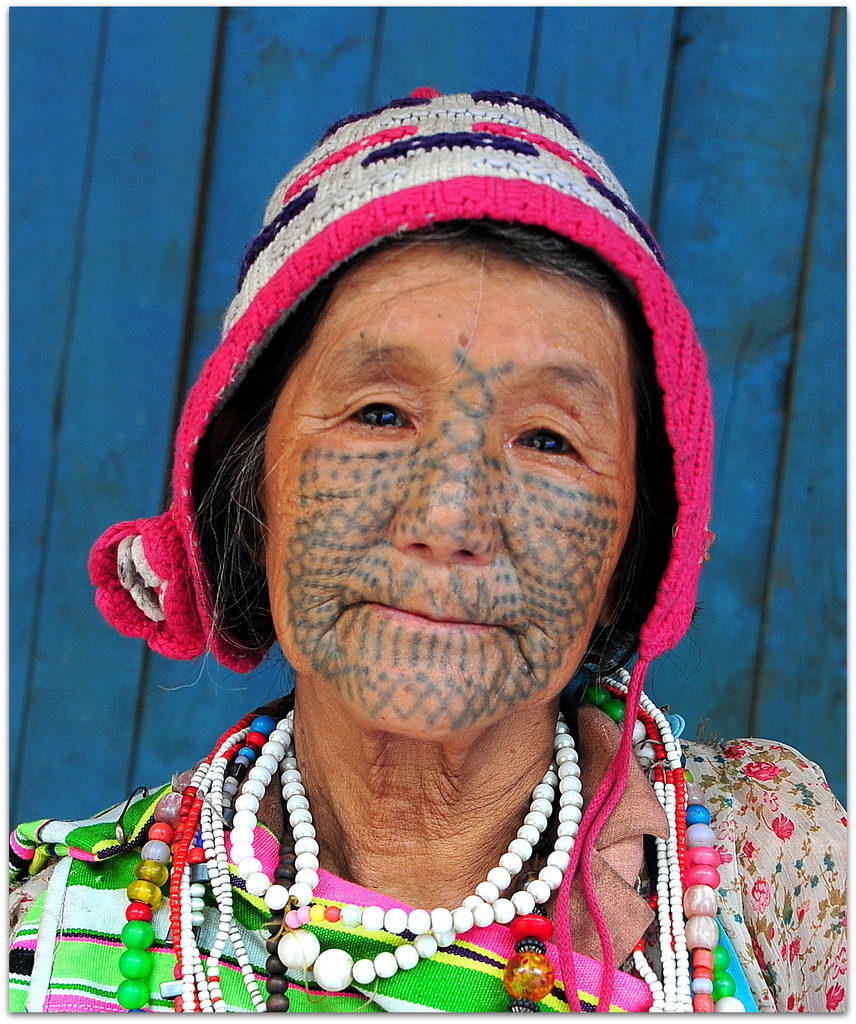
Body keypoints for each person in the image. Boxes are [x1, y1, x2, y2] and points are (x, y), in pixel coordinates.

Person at [9, 90, 846, 1014]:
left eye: (549, 440)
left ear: (631, 552)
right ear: (254, 494)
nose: (449, 519)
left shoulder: (762, 850)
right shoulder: (39, 925)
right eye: (379, 415)